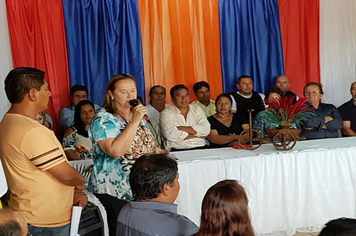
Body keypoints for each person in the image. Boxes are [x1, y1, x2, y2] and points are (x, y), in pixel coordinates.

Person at [0, 67, 86, 235]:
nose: (50, 94)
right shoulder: (32, 131)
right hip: (45, 222)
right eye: (46, 89)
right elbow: (66, 175)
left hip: (29, 212)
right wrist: (80, 180)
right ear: (33, 94)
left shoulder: (7, 122)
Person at [88, 73, 165, 201]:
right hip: (113, 190)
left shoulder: (136, 115)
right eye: (124, 92)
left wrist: (155, 151)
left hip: (141, 187)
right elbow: (115, 151)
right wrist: (134, 121)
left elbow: (139, 142)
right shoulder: (102, 120)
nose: (130, 96)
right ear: (111, 94)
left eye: (133, 91)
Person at [116, 153, 198, 236]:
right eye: (177, 179)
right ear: (166, 188)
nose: (178, 184)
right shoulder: (182, 228)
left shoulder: (125, 211)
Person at [160, 84, 210, 151]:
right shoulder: (166, 113)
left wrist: (182, 128)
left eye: (186, 95)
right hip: (177, 150)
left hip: (200, 147)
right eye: (179, 96)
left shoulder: (197, 109)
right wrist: (197, 134)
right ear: (172, 99)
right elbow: (170, 134)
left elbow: (206, 129)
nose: (184, 99)